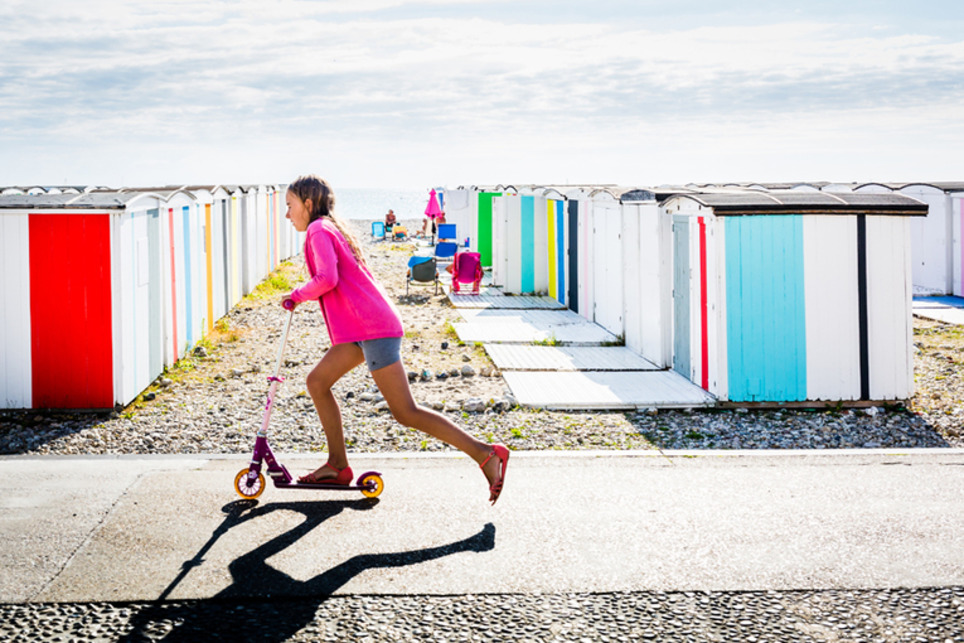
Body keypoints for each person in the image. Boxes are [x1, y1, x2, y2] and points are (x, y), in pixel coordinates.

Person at [282, 175, 509, 504]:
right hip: (362, 330)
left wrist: (295, 295)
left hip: (372, 327)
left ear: (307, 203)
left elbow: (326, 278)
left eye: (289, 206)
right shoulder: (330, 228)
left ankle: (486, 454)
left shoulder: (319, 229)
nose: (287, 215)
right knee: (318, 382)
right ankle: (338, 465)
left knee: (405, 411)